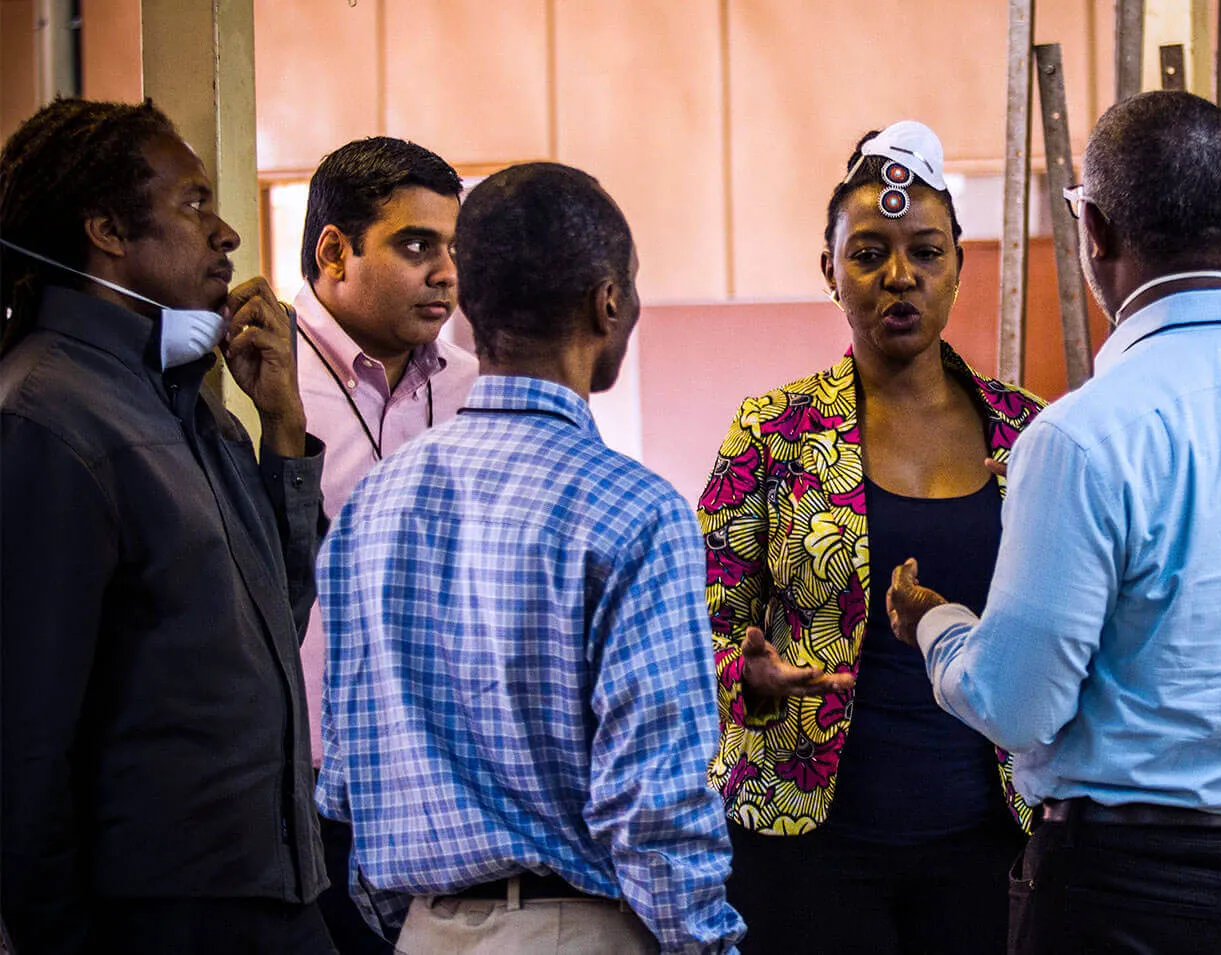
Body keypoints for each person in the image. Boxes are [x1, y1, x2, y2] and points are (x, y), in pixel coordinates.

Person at [885, 91, 1221, 955]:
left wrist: (936, 625)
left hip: (1131, 890)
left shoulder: (1083, 437)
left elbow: (1016, 704)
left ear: (1093, 231)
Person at [316, 161, 745, 955]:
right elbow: (655, 809)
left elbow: (347, 778)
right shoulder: (635, 512)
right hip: (579, 927)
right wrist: (708, 945)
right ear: (608, 301)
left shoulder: (371, 506)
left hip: (424, 931)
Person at [698, 120, 1045, 955]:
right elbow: (694, 621)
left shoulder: (1028, 433)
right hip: (805, 848)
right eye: (868, 253)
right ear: (829, 270)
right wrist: (744, 676)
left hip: (989, 840)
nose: (900, 275)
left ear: (958, 264)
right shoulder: (772, 433)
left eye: (926, 251)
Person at [0, 99, 333, 953]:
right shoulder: (46, 416)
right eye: (193, 204)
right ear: (108, 230)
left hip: (270, 894)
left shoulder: (192, 405)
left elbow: (277, 617)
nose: (226, 233)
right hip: (160, 915)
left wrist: (283, 430)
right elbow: (22, 740)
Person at [292, 135, 478, 954]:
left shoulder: (475, 384)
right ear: (335, 251)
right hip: (305, 785)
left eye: (453, 249)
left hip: (444, 779)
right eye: (415, 246)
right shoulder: (255, 377)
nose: (445, 273)